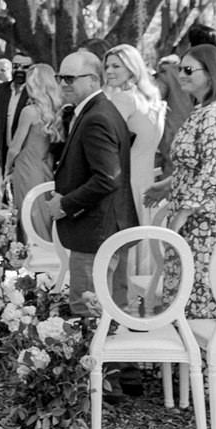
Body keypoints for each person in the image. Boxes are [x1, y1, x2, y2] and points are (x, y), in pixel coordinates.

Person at [145, 45, 216, 403]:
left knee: (213, 297)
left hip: (215, 223)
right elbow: (193, 164)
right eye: (180, 69)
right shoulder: (202, 109)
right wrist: (168, 186)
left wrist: (182, 214)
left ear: (211, 74)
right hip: (196, 220)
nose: (180, 75)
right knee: (192, 295)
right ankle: (191, 376)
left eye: (189, 70)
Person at [40, 51, 137, 322]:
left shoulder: (97, 117)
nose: (63, 84)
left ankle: (104, 351)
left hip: (96, 231)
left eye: (70, 79)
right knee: (112, 314)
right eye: (60, 78)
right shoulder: (95, 111)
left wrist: (65, 204)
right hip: (104, 227)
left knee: (89, 315)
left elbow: (107, 178)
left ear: (93, 80)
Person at [102, 45, 164, 228]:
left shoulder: (125, 99)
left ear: (132, 68)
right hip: (146, 181)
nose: (109, 71)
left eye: (116, 66)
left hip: (124, 184)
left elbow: (106, 142)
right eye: (107, 66)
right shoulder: (152, 99)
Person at [6, 62, 60, 218]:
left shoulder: (29, 112)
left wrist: (7, 169)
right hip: (46, 169)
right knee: (44, 214)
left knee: (27, 215)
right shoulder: (58, 111)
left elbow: (14, 148)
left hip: (26, 169)